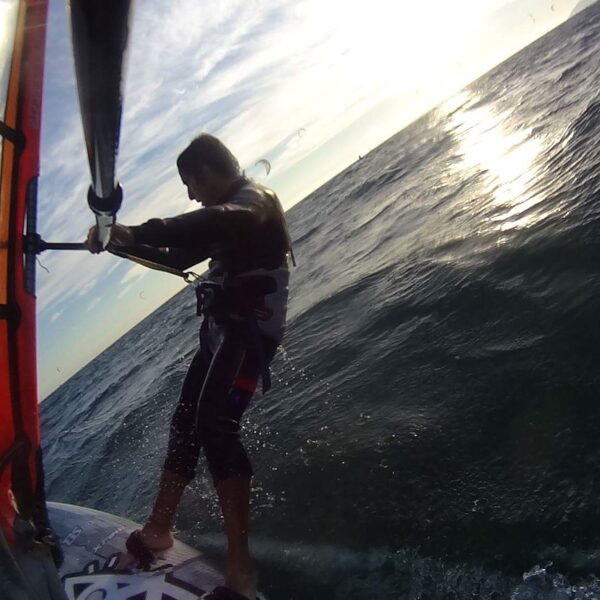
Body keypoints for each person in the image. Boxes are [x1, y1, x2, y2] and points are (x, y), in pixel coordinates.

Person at [85, 133, 292, 600]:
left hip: (250, 336)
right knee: (185, 423)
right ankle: (159, 528)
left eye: (190, 184)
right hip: (220, 333)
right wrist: (117, 243)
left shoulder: (254, 200)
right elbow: (177, 256)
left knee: (214, 424)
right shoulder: (224, 218)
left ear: (207, 171)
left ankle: (240, 571)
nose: (191, 194)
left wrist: (137, 230)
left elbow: (220, 218)